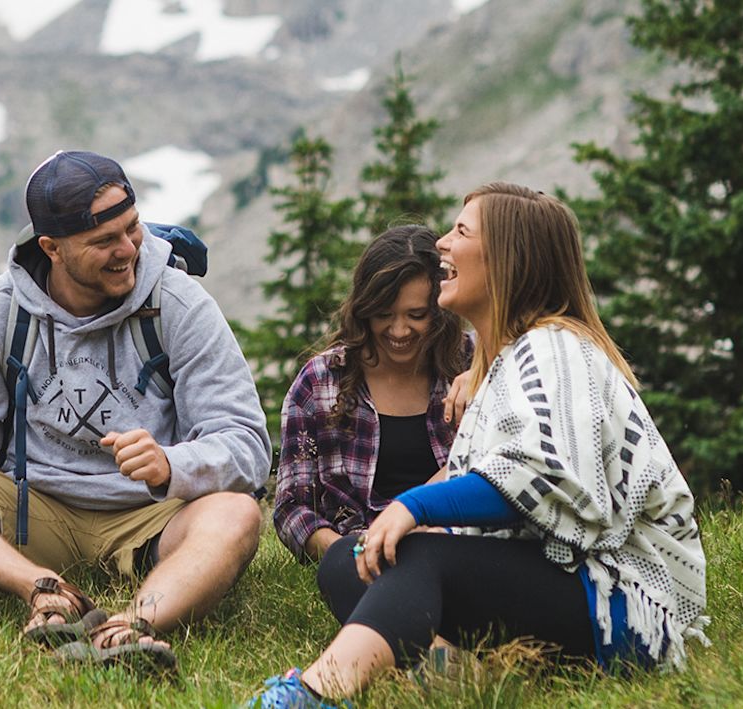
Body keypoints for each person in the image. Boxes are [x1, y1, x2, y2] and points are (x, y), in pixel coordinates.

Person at [247, 183, 709, 708]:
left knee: (421, 557)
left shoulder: (553, 351)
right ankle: (461, 672)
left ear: (506, 260)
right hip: (573, 583)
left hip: (625, 604)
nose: (442, 244)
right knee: (362, 560)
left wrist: (411, 506)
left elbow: (544, 478)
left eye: (461, 232)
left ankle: (313, 694)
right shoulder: (509, 358)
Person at [0, 150, 270, 674]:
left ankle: (130, 629)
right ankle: (45, 592)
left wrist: (172, 463)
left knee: (238, 513)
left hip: (152, 518)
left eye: (132, 229)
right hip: (31, 513)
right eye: (103, 241)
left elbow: (246, 442)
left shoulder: (179, 304)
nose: (128, 250)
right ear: (52, 248)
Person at [270, 225, 470, 625]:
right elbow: (292, 506)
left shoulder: (470, 366)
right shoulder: (320, 382)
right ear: (363, 309)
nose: (398, 332)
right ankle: (432, 648)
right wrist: (348, 550)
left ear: (442, 308)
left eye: (417, 316)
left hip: (453, 541)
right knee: (347, 569)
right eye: (383, 315)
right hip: (359, 547)